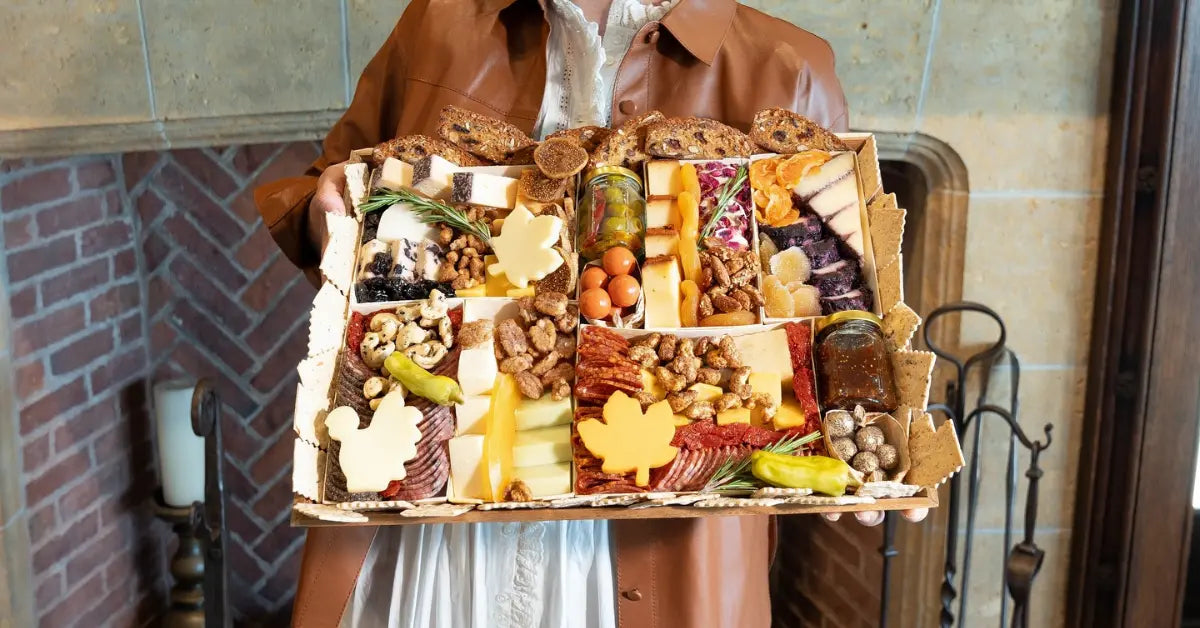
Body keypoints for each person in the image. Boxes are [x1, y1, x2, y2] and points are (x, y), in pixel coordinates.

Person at [255, 1, 926, 626]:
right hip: (434, 534)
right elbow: (333, 191)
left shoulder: (788, 66)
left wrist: (857, 441)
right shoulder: (439, 20)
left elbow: (840, 291)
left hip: (660, 542)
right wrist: (326, 211)